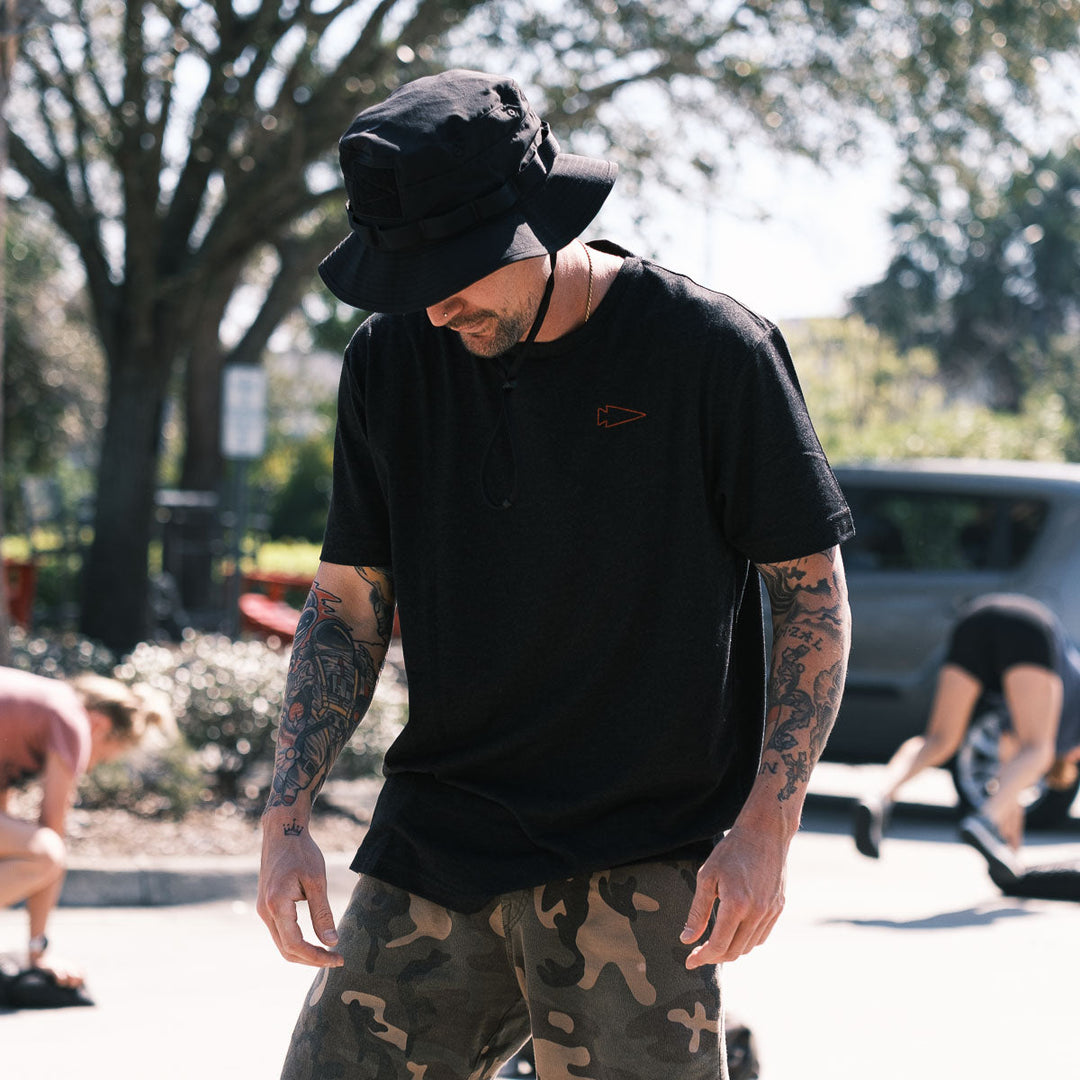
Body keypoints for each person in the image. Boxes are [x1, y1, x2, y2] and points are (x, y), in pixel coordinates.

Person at [257, 68, 853, 1080]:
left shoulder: (710, 351)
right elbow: (347, 606)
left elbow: (810, 597)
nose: (435, 309)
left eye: (457, 273)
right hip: (438, 841)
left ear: (538, 225)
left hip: (645, 849)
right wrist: (285, 821)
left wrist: (767, 829)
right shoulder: (389, 362)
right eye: (410, 282)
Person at [852, 593, 1080, 880]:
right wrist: (992, 819)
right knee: (1039, 751)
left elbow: (1008, 766)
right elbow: (1028, 760)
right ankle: (984, 821)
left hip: (976, 618)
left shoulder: (1056, 734)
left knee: (940, 739)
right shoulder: (1067, 733)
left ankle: (879, 794)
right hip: (1029, 625)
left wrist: (1007, 852)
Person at [0, 666, 171, 1005]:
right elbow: (52, 839)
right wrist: (38, 953)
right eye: (102, 756)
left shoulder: (34, 710)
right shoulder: (70, 720)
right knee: (45, 853)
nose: (88, 767)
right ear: (99, 725)